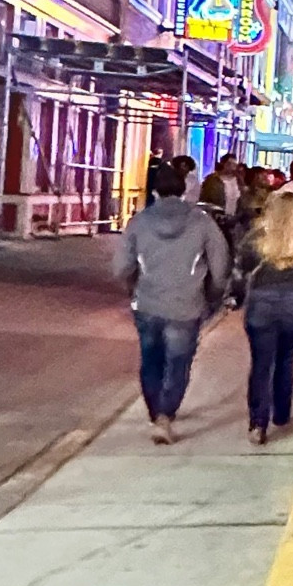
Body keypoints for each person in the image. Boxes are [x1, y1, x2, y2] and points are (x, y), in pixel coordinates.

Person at [112, 159, 229, 444]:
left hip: (147, 303)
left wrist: (134, 287)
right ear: (183, 190)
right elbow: (220, 266)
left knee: (150, 359)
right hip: (187, 305)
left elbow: (120, 267)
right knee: (178, 362)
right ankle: (166, 415)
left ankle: (155, 413)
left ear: (154, 192)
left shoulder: (139, 222)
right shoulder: (202, 222)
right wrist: (213, 294)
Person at [236, 189, 293, 443]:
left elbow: (240, 270)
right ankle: (281, 412)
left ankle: (258, 423)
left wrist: (234, 297)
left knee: (261, 363)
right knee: (286, 358)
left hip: (261, 305)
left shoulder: (255, 238)